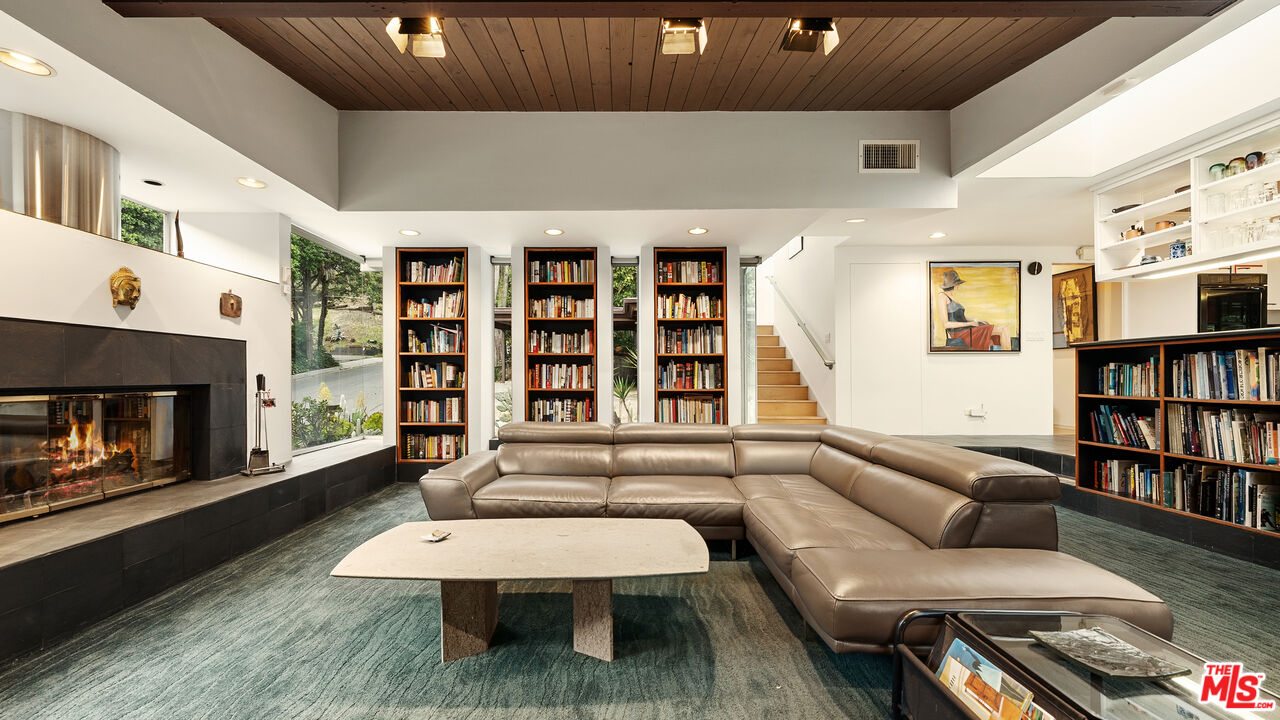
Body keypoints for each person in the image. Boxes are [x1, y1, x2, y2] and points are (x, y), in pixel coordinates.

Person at [935, 269, 1011, 350]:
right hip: (960, 334)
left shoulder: (953, 297)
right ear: (953, 284)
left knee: (995, 336)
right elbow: (946, 324)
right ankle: (1008, 358)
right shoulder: (942, 296)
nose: (958, 285)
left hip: (967, 330)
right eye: (957, 283)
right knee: (1003, 329)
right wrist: (970, 324)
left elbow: (962, 318)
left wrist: (977, 321)